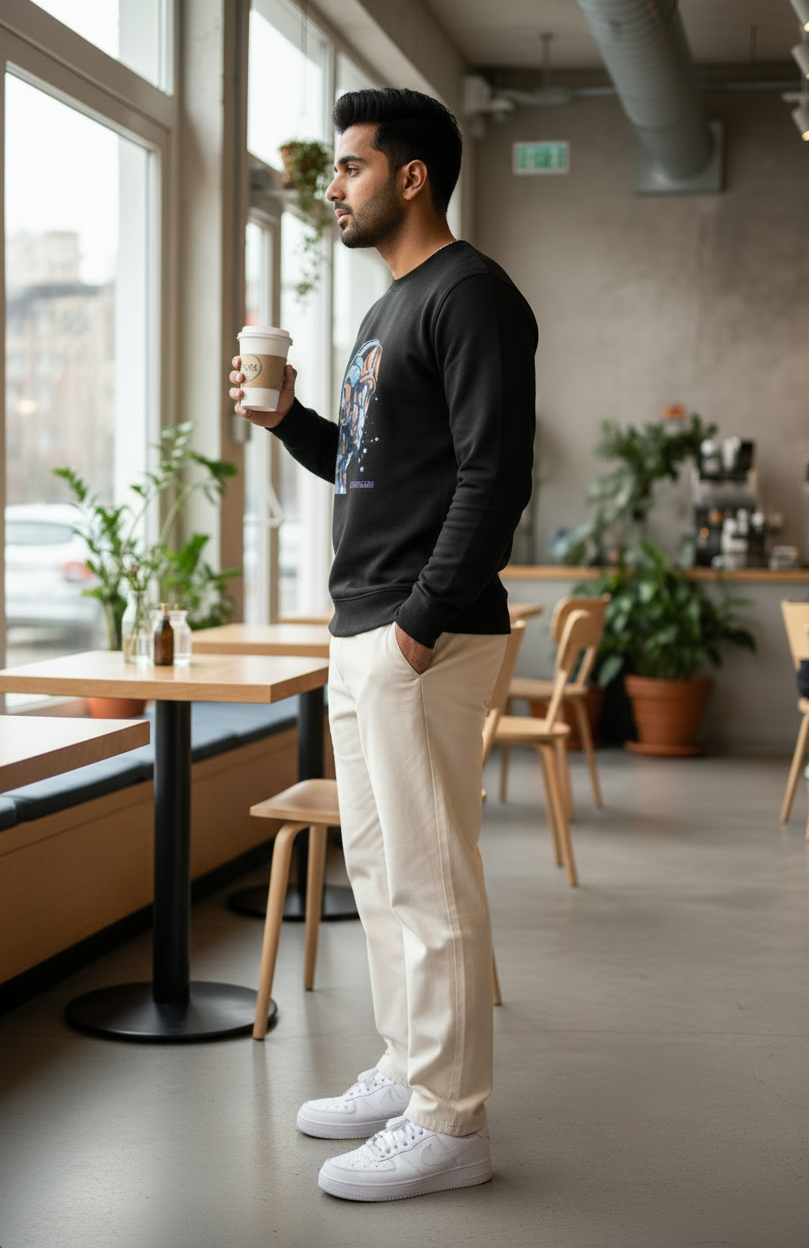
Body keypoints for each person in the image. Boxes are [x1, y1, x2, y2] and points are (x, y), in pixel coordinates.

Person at [230, 87, 537, 1203]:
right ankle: (411, 1071)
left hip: (422, 635)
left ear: (410, 175)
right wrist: (290, 424)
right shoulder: (384, 312)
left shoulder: (470, 296)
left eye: (349, 168)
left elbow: (491, 474)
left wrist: (417, 624)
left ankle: (453, 1123)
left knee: (427, 878)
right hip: (362, 625)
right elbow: (368, 466)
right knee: (378, 872)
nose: (334, 189)